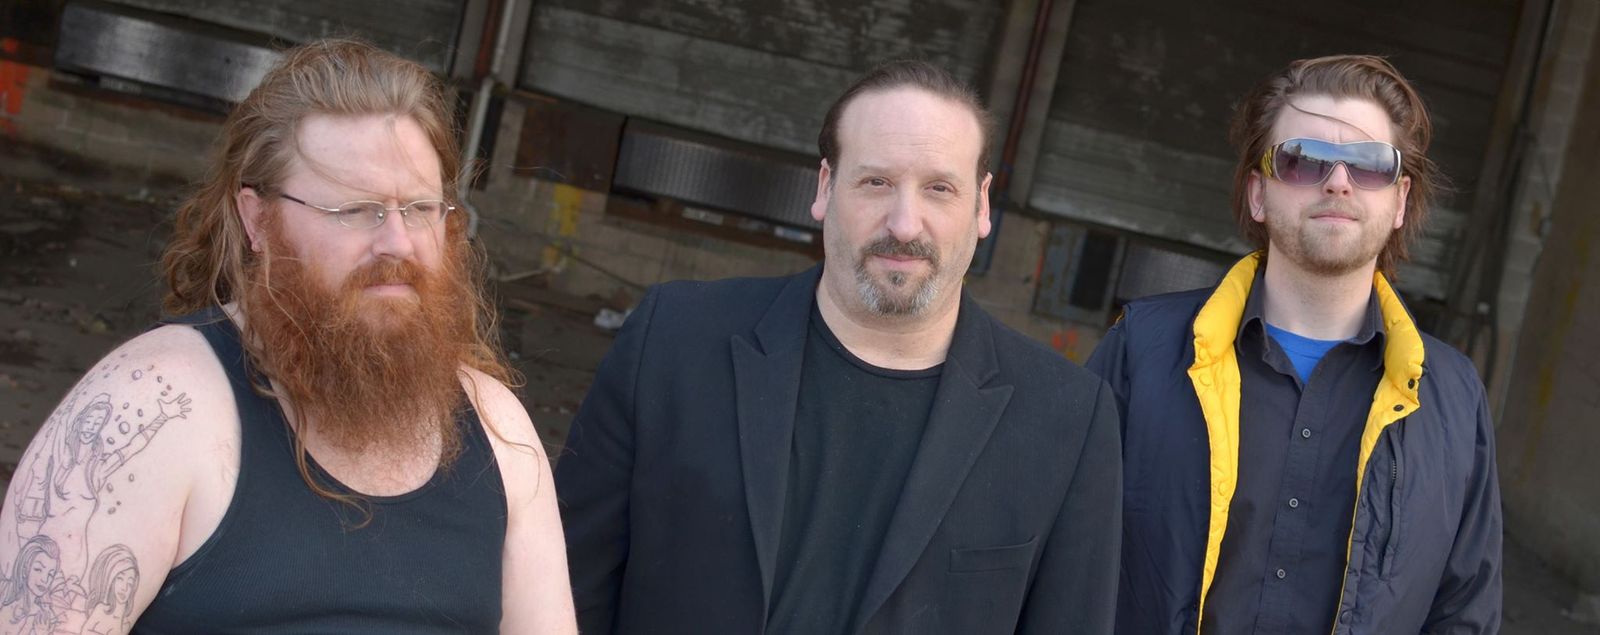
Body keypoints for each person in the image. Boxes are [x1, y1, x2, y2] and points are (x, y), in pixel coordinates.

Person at [0, 39, 576, 633]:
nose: (398, 244)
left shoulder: (497, 429)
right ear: (257, 219)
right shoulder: (151, 407)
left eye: (421, 209)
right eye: (355, 210)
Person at [555, 60, 1122, 635]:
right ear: (825, 187)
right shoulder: (673, 339)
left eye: (939, 188)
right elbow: (563, 593)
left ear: (981, 206)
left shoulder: (1069, 419)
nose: (904, 223)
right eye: (876, 182)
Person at [1087, 55, 1502, 634]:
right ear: (1258, 193)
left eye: (1370, 164)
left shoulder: (1454, 398)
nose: (1339, 181)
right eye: (1303, 160)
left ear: (1400, 201)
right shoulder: (1141, 350)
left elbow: (1464, 613)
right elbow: (1064, 560)